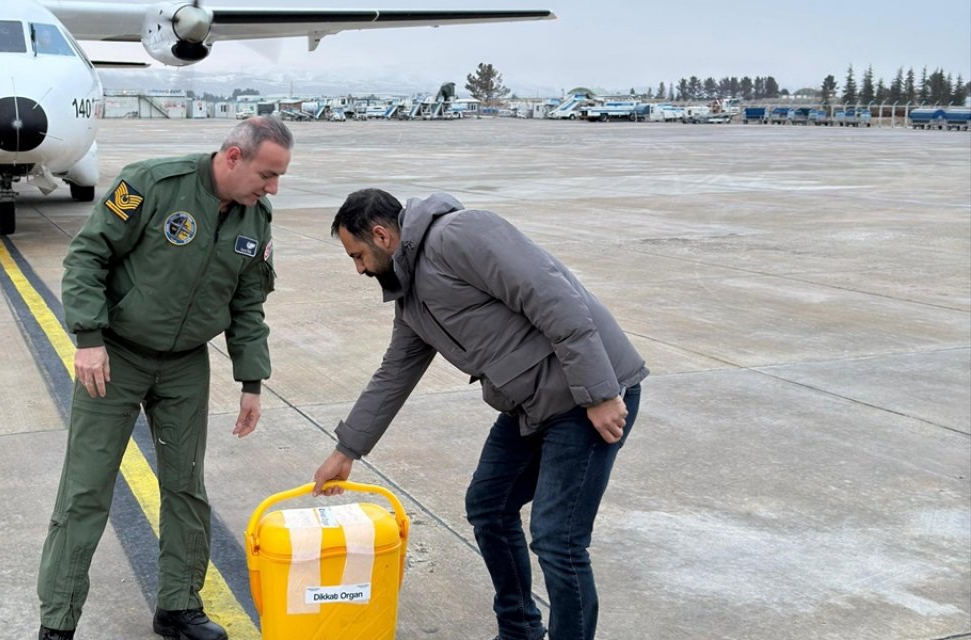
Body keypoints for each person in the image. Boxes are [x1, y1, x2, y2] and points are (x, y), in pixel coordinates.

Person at [312, 189, 648, 640]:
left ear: (381, 235)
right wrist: (347, 449)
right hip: (532, 404)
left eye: (357, 255)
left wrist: (601, 393)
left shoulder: (461, 234)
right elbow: (395, 373)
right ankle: (520, 629)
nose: (358, 269)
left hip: (586, 394)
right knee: (489, 506)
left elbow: (552, 295)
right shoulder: (411, 297)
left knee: (557, 538)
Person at [38, 116, 293, 640]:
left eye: (277, 178)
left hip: (184, 366)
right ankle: (57, 623)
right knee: (86, 490)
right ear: (232, 158)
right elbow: (88, 256)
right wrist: (88, 337)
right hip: (116, 358)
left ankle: (178, 606)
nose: (272, 188)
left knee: (186, 488)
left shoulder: (254, 218)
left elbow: (248, 305)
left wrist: (252, 381)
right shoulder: (151, 184)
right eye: (267, 175)